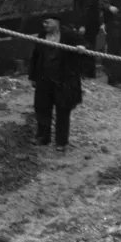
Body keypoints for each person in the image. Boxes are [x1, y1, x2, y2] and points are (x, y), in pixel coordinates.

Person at [29, 15, 85, 150]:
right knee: (42, 108)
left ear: (56, 22)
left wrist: (81, 48)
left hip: (63, 79)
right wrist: (33, 77)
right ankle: (43, 137)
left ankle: (61, 142)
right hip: (44, 78)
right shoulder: (42, 36)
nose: (45, 25)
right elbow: (36, 56)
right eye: (43, 22)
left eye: (47, 22)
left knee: (63, 110)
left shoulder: (69, 35)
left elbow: (86, 44)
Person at [71, 0, 103, 78]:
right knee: (86, 46)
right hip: (86, 24)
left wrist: (82, 25)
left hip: (88, 25)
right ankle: (87, 71)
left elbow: (87, 9)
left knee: (87, 46)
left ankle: (87, 72)